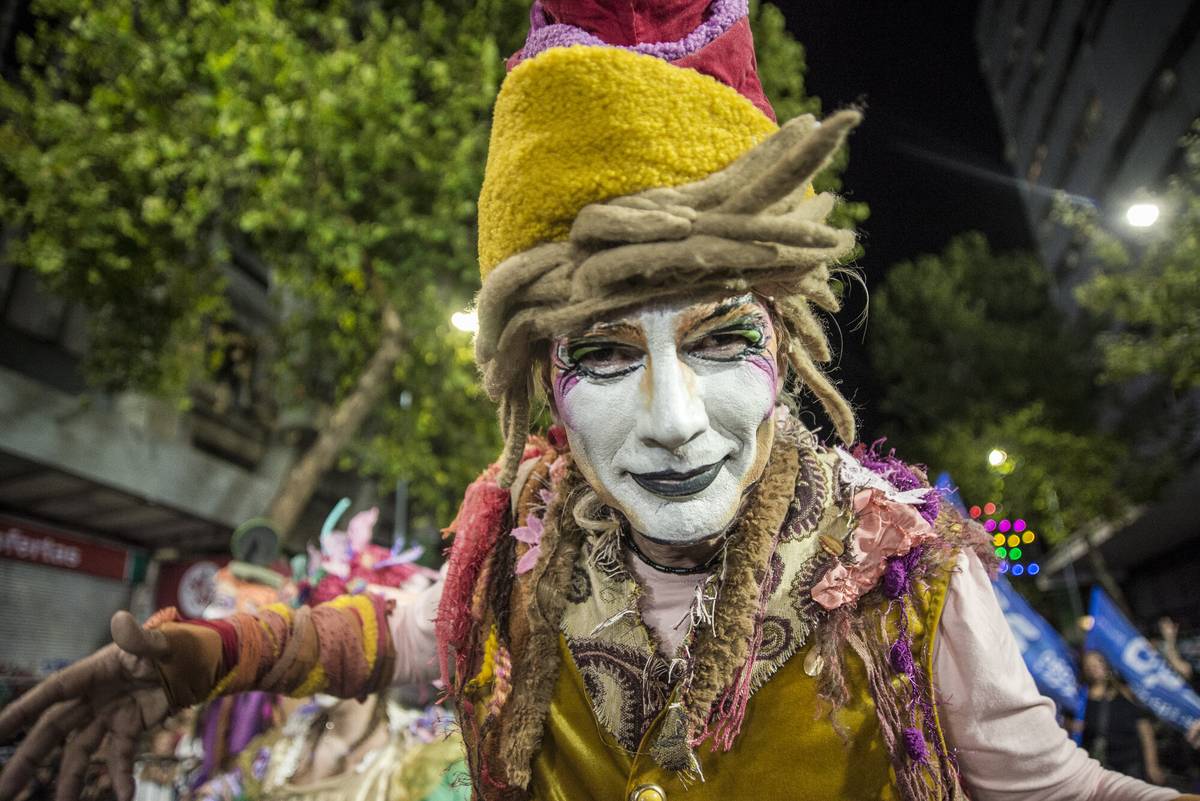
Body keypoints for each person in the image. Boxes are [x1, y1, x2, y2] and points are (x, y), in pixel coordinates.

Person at [0, 2, 1197, 799]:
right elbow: (398, 637)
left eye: (723, 339)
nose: (674, 422)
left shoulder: (904, 574)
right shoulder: (514, 554)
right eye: (606, 356)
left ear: (785, 347)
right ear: (540, 383)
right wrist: (205, 652)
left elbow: (1055, 789)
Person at [1078, 651, 1166, 784]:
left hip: (1131, 767)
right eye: (1089, 665)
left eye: (1098, 662)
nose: (1094, 668)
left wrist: (1152, 766)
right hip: (1101, 771)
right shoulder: (1080, 701)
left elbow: (1146, 733)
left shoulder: (1126, 693)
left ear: (1107, 665)